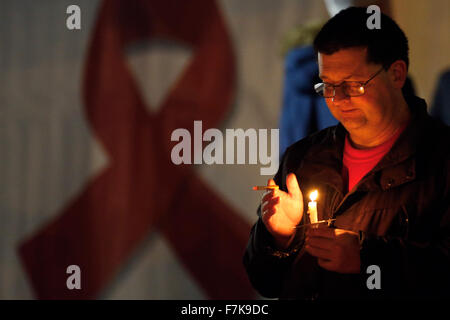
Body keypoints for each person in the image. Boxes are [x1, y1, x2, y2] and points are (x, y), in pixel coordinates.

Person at [243, 7, 450, 299]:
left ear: (397, 74)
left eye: (353, 85)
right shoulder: (303, 158)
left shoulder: (440, 161)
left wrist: (369, 259)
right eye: (327, 86)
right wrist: (278, 236)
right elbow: (264, 282)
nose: (338, 100)